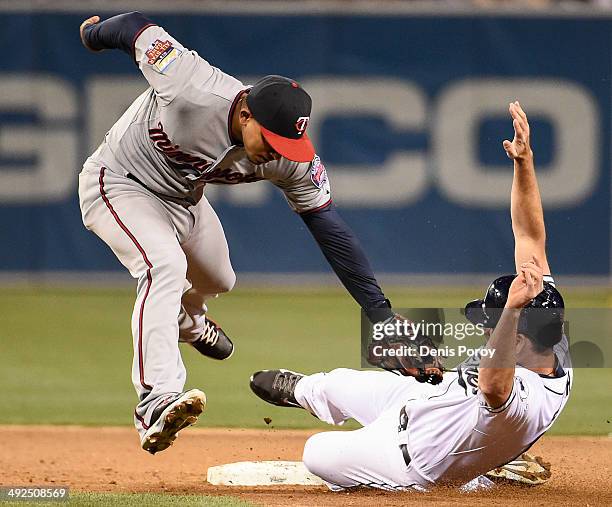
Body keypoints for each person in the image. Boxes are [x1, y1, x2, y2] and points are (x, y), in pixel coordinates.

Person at [77, 12, 405, 454]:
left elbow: (329, 227)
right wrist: (93, 35)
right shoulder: (189, 82)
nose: (275, 153)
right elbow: (136, 27)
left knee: (219, 281)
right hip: (119, 183)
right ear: (246, 112)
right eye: (270, 139)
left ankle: (188, 322)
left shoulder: (290, 158)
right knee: (164, 267)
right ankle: (156, 399)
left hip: (183, 200)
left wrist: (379, 311)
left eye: (286, 144)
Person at [250, 102, 572, 491]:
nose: (485, 331)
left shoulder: (527, 403)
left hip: (410, 461)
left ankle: (480, 478)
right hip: (426, 401)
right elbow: (529, 236)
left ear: (518, 337)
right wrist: (524, 163)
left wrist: (511, 309)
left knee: (317, 452)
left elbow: (493, 387)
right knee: (337, 383)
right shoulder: (548, 326)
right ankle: (307, 391)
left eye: (493, 323)